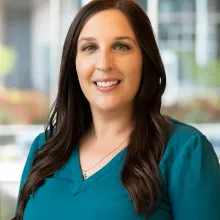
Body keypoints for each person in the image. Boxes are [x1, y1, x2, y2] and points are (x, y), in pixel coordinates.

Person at [12, 0, 220, 219]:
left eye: (121, 46)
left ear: (145, 59)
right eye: (89, 48)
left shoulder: (185, 151)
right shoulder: (45, 149)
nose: (104, 63)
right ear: (74, 64)